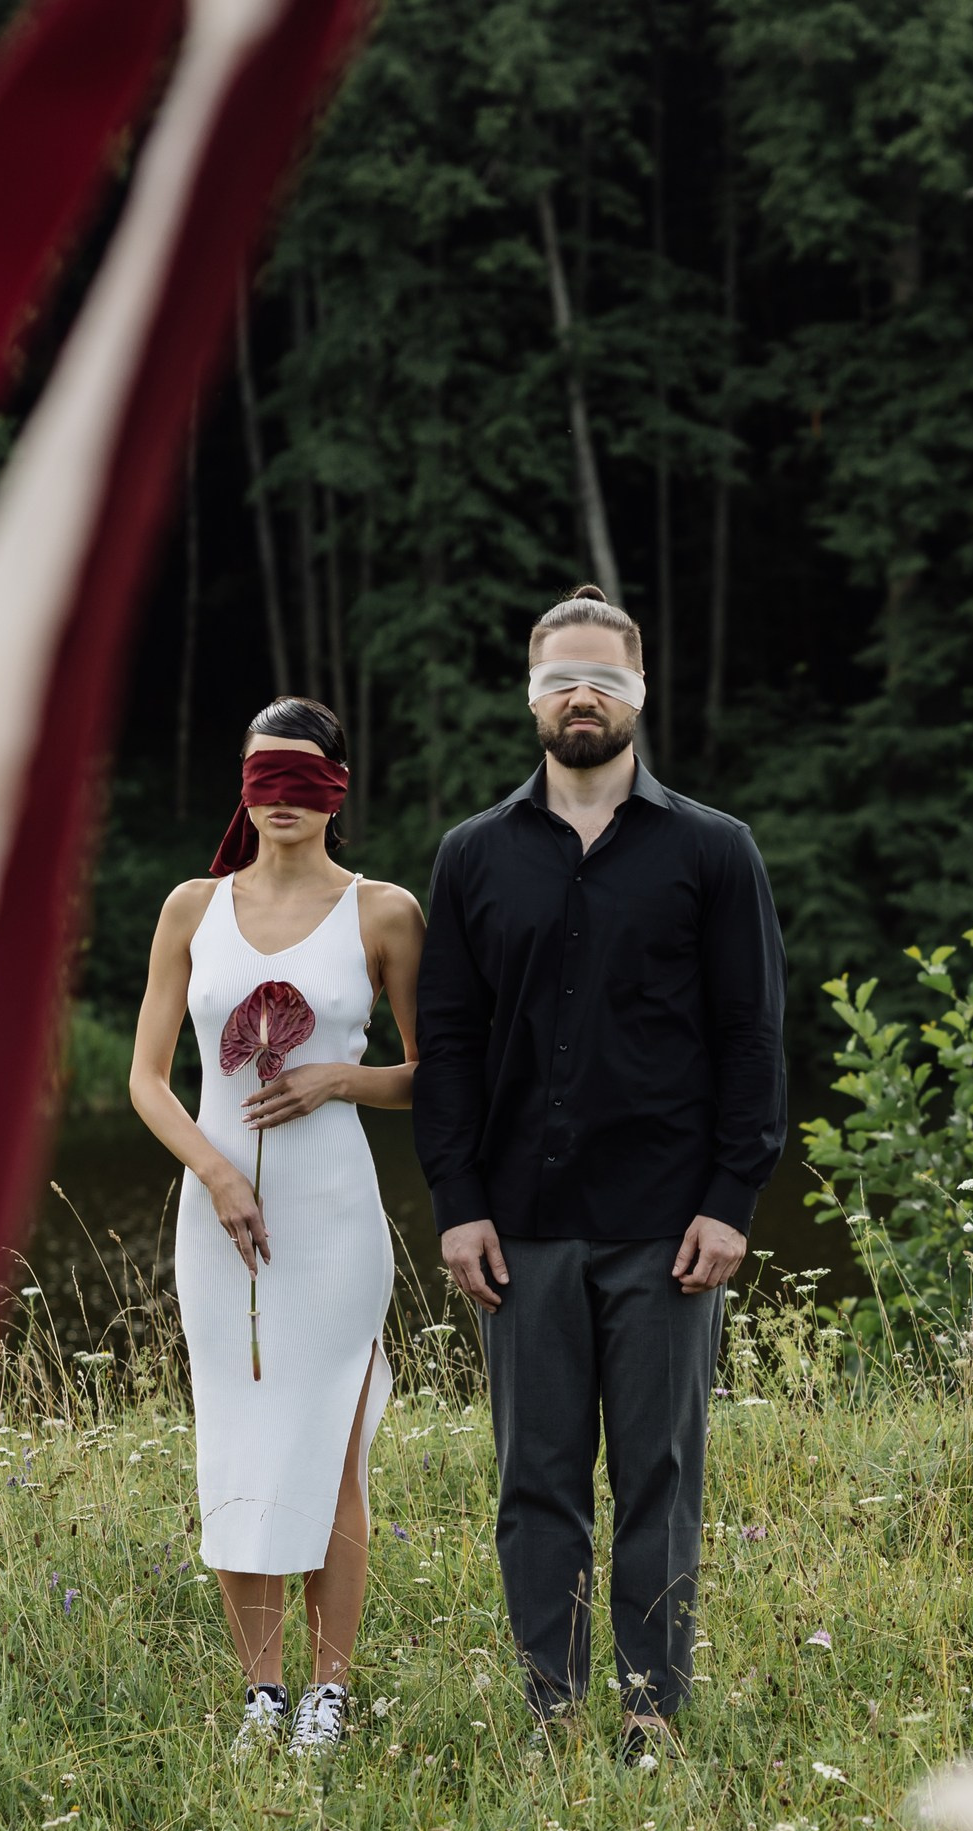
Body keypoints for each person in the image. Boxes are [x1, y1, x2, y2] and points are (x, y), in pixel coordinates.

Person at [414, 585, 786, 1756]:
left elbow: (751, 1037)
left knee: (659, 1476)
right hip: (518, 1225)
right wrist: (457, 1203)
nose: (583, 697)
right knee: (533, 1482)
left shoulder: (712, 851)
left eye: (605, 680)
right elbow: (449, 1044)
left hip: (665, 1226)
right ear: (532, 696)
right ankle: (550, 1706)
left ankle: (650, 1709)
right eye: (561, 679)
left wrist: (730, 1201)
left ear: (638, 694)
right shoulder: (472, 856)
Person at [130, 696, 423, 1755]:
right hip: (220, 1226)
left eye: (304, 780)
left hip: (334, 1221)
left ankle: (327, 1694)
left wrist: (341, 1079)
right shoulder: (191, 909)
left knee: (330, 1452)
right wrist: (214, 1173)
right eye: (266, 778)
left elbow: (437, 1075)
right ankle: (261, 1692)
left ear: (337, 791)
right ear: (244, 788)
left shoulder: (383, 913)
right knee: (239, 1447)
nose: (283, 800)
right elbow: (147, 1079)